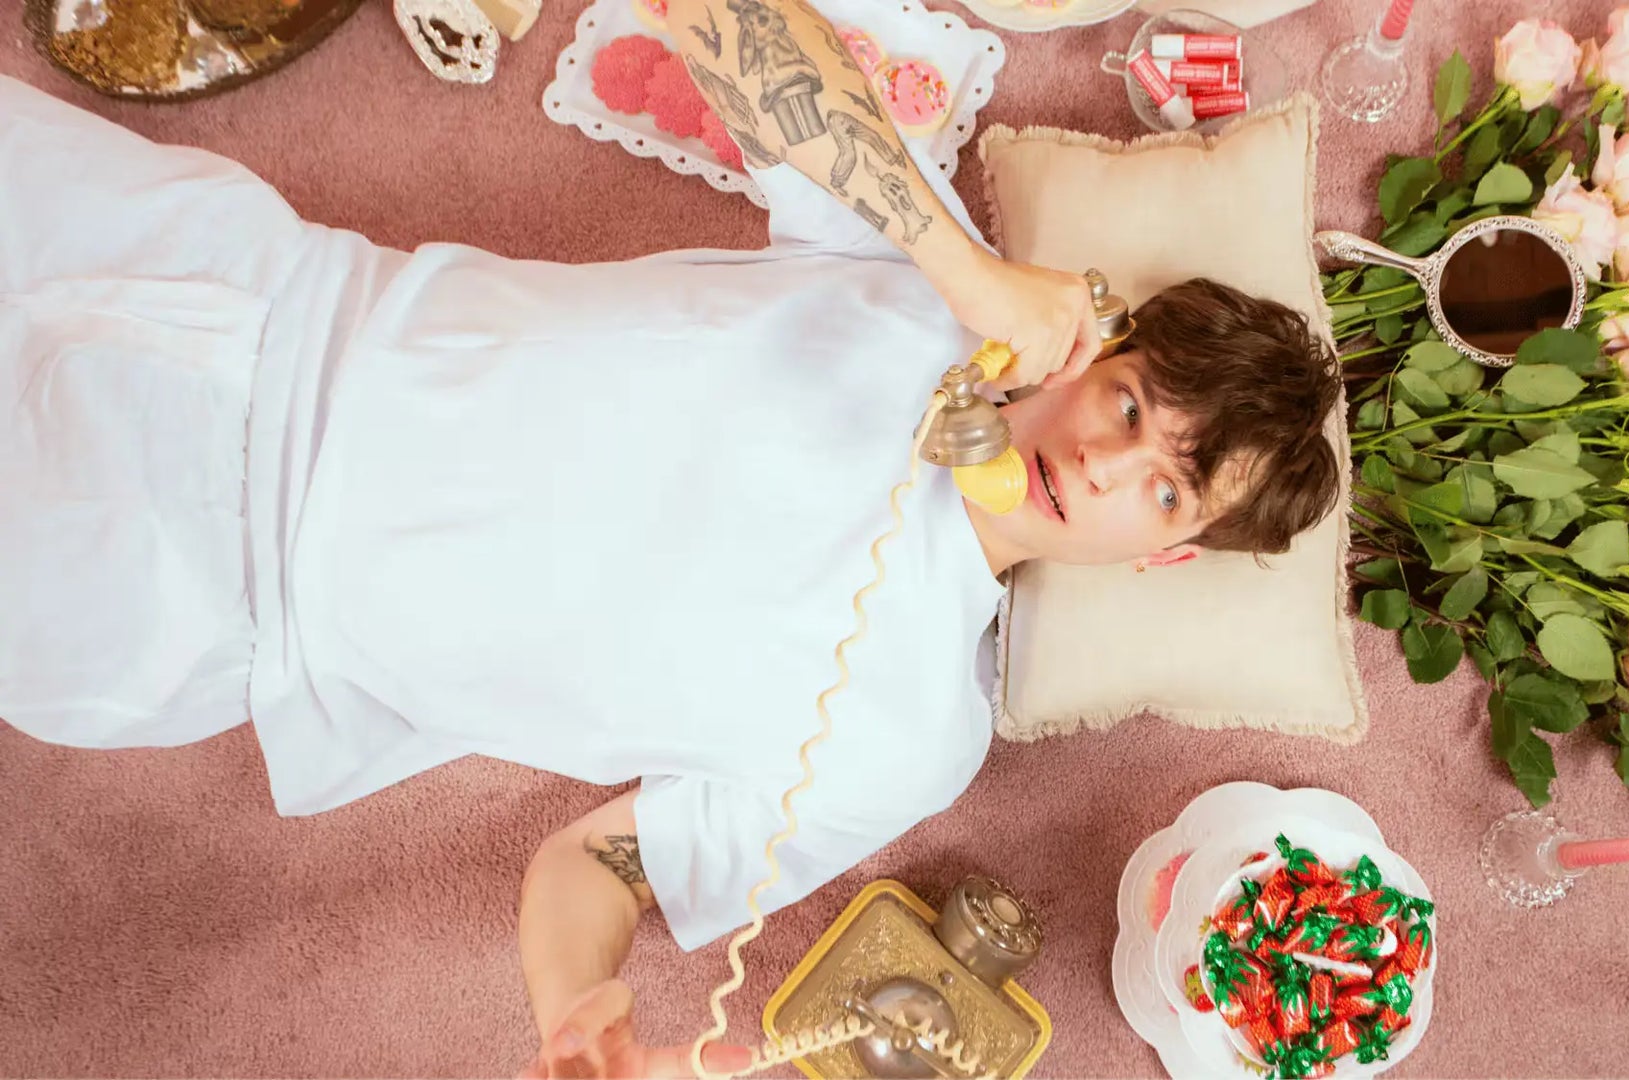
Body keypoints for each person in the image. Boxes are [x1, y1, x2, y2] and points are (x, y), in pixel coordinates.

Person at [0, 0, 1340, 1071]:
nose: (1099, 462)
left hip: (203, 603)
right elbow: (710, 17)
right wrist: (966, 268)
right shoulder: (917, 283)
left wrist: (569, 1007)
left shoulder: (908, 741)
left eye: (1163, 490)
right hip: (258, 300)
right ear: (1091, 343)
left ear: (1164, 555)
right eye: (1126, 403)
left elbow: (601, 863)